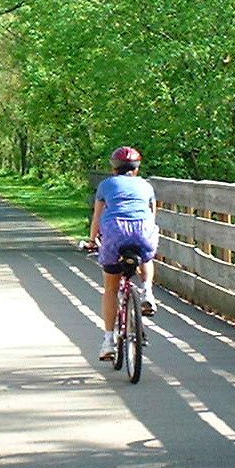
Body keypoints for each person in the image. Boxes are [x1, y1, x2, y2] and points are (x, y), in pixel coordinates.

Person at [89, 146, 159, 361]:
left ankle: (109, 341)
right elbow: (151, 216)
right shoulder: (146, 186)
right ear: (136, 169)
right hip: (142, 231)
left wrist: (92, 240)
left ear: (114, 168)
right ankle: (147, 291)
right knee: (146, 255)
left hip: (115, 234)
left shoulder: (106, 185)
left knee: (111, 287)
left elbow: (97, 217)